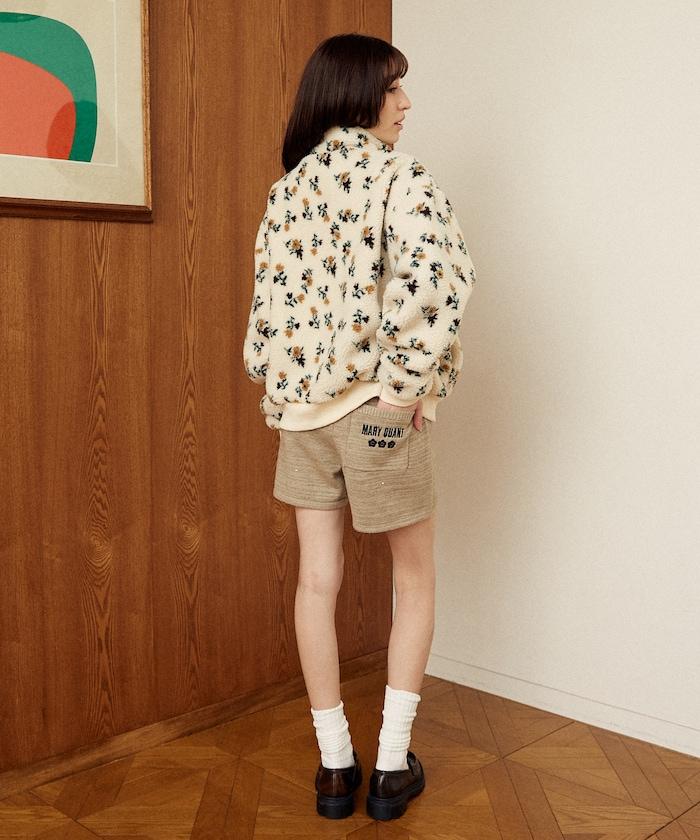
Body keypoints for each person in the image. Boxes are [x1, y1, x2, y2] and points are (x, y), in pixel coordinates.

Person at [242, 32, 477, 821]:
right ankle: (389, 767)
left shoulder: (287, 192)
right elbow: (439, 283)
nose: (406, 104)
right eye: (392, 87)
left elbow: (265, 317)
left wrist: (282, 388)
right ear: (353, 93)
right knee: (415, 580)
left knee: (317, 581)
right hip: (378, 412)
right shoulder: (400, 178)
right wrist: (402, 391)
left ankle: (335, 768)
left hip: (301, 416)